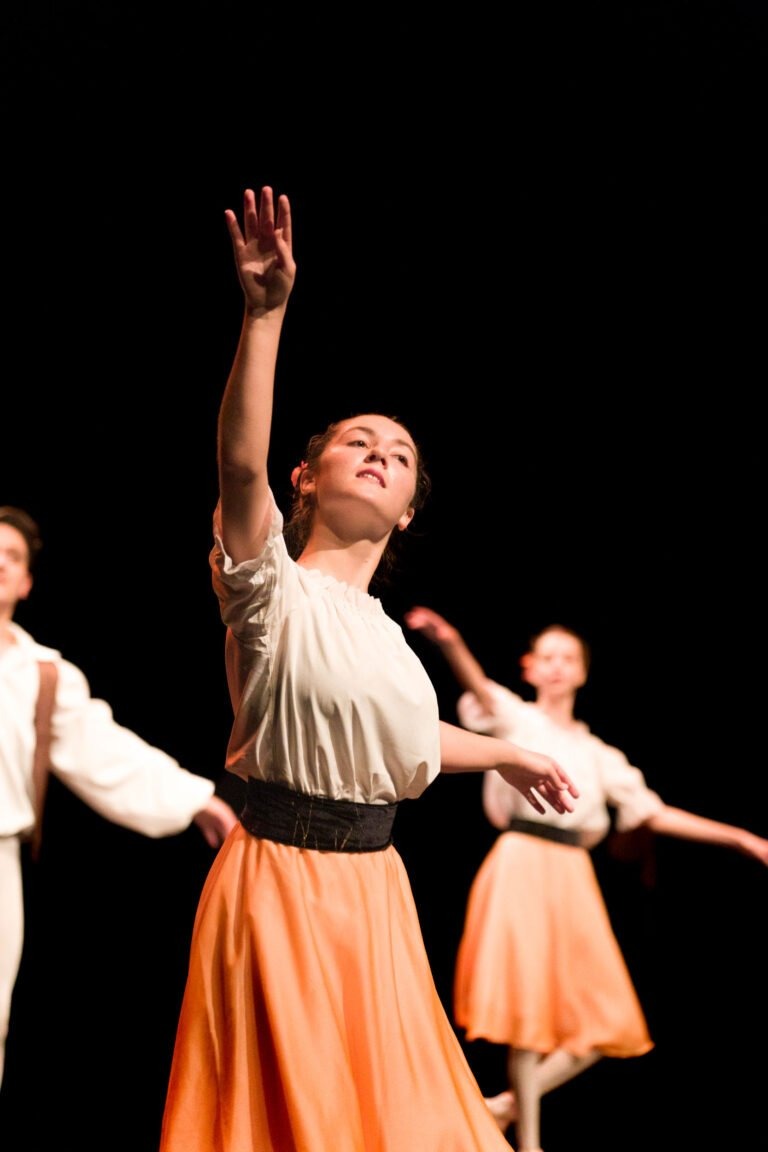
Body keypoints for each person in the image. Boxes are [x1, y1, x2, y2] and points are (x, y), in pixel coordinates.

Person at [157, 184, 580, 1152]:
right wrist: (264, 317)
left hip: (374, 891)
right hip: (278, 885)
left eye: (399, 453)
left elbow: (404, 740)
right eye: (358, 441)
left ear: (409, 513)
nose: (380, 454)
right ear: (306, 479)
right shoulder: (268, 587)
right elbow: (236, 469)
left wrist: (505, 756)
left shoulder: (387, 637)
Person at [404, 605, 768, 1152]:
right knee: (526, 1008)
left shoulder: (600, 755)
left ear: (581, 671)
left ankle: (504, 1106)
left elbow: (652, 812)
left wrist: (740, 837)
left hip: (573, 875)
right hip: (523, 861)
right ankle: (528, 1142)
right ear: (529, 667)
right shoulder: (517, 718)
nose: (556, 666)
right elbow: (478, 686)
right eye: (546, 657)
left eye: (567, 658)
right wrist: (452, 642)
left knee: (606, 1017)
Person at [0, 504, 239, 1091]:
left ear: (27, 581)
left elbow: (103, 749)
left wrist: (195, 799)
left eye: (12, 556)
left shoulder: (42, 674)